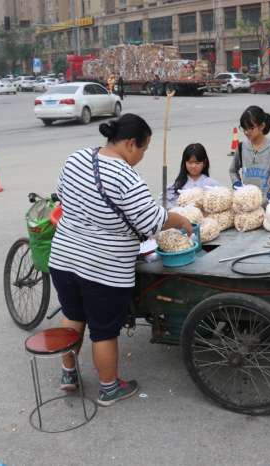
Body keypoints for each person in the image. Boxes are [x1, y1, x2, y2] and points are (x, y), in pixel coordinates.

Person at [48, 114, 192, 407]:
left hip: (63, 259)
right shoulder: (125, 175)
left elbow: (63, 199)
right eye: (143, 149)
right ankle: (109, 389)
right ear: (129, 143)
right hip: (102, 269)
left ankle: (68, 375)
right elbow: (152, 221)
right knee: (103, 331)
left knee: (72, 316)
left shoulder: (76, 158)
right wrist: (181, 220)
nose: (142, 156)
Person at [229, 105, 270, 202]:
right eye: (244, 128)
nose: (246, 132)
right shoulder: (241, 147)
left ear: (262, 126)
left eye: (251, 128)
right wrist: (236, 183)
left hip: (267, 207)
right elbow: (232, 170)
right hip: (246, 204)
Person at [165, 143, 220, 208]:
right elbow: (166, 204)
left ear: (204, 163)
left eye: (197, 163)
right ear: (184, 162)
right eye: (190, 162)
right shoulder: (176, 185)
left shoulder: (212, 185)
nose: (193, 166)